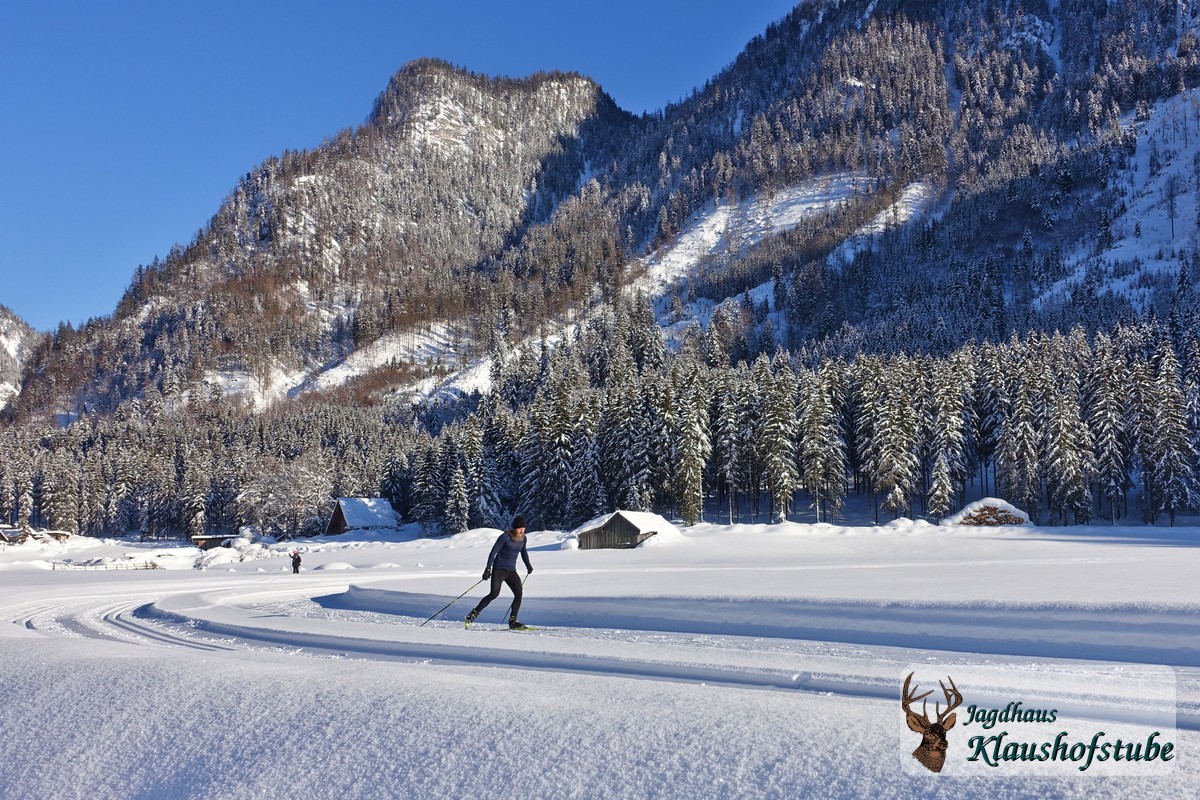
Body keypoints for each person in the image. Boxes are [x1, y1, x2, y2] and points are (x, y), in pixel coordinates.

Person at [465, 515, 533, 629]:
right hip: (499, 569)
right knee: (494, 594)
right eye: (519, 528)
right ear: (514, 528)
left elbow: (523, 552)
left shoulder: (523, 538)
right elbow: (493, 553)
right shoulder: (505, 537)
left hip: (511, 570)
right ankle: (472, 614)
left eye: (523, 528)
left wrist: (528, 565)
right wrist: (488, 569)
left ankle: (513, 620)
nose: (521, 531)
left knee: (519, 593)